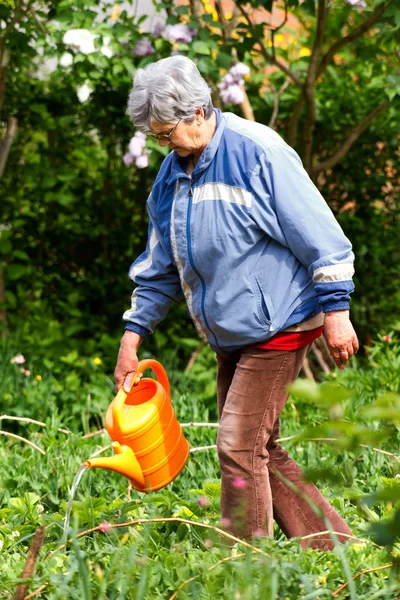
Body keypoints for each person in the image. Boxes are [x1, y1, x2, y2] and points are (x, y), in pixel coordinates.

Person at [114, 56, 359, 550]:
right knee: (259, 444)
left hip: (281, 322)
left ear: (199, 112)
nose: (165, 146)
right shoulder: (170, 178)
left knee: (238, 445)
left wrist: (337, 311)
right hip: (231, 329)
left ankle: (245, 563)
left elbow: (322, 237)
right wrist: (131, 336)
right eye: (157, 137)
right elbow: (161, 267)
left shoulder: (258, 152)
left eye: (168, 133)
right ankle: (334, 546)